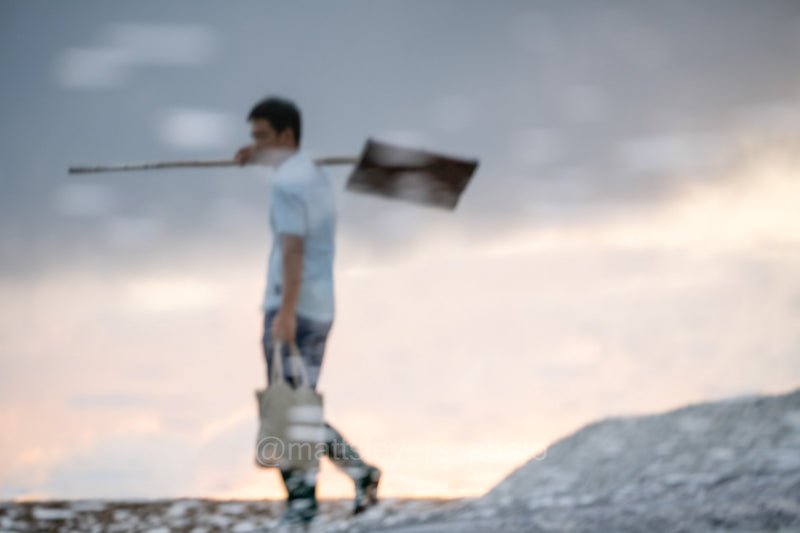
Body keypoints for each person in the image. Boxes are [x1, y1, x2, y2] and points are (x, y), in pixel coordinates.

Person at [235, 97, 381, 526]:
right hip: (321, 307)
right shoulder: (312, 172)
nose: (256, 144)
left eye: (262, 137)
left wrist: (285, 312)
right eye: (252, 138)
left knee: (288, 406)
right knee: (298, 404)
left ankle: (302, 508)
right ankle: (357, 475)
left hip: (292, 308)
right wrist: (257, 157)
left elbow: (292, 250)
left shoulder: (287, 185)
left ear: (286, 136)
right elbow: (291, 168)